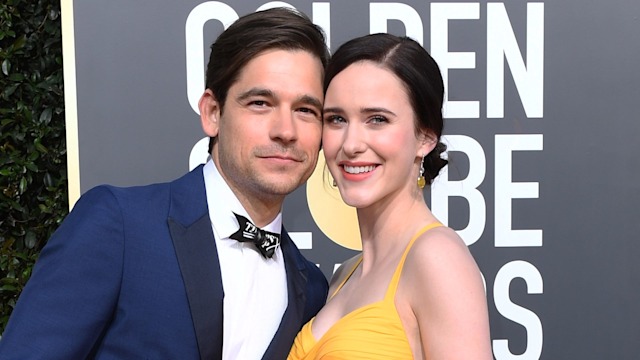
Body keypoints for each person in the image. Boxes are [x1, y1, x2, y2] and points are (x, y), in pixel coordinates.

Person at [0, 7, 329, 360]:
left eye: (306, 110)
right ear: (212, 113)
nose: (285, 131)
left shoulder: (310, 287)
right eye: (261, 103)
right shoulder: (119, 225)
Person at [288, 33, 492, 359]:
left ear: (425, 136)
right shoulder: (346, 274)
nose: (351, 144)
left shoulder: (436, 257)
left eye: (377, 119)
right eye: (337, 119)